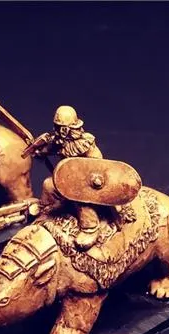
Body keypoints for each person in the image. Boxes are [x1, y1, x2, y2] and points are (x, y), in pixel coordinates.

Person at [33, 106, 105, 250]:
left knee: (78, 197)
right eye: (56, 127)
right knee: (48, 184)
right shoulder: (59, 141)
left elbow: (98, 163)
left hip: (85, 182)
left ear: (68, 129)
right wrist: (39, 152)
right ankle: (47, 211)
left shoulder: (84, 143)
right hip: (65, 179)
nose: (57, 130)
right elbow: (48, 150)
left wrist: (90, 178)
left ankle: (90, 226)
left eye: (60, 127)